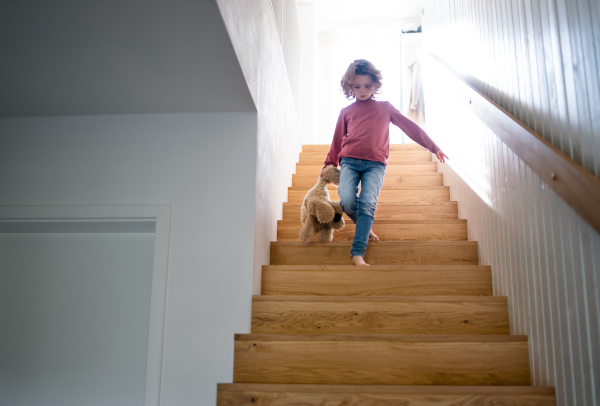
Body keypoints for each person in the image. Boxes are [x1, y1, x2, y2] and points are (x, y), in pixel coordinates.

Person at [321, 59, 448, 266]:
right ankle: (365, 225)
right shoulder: (346, 112)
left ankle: (357, 253)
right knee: (347, 202)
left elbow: (410, 128)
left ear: (375, 85)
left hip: (375, 164)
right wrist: (328, 166)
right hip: (350, 162)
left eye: (368, 86)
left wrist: (434, 146)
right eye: (357, 87)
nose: (363, 91)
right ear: (350, 86)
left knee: (368, 203)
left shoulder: (385, 108)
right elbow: (336, 143)